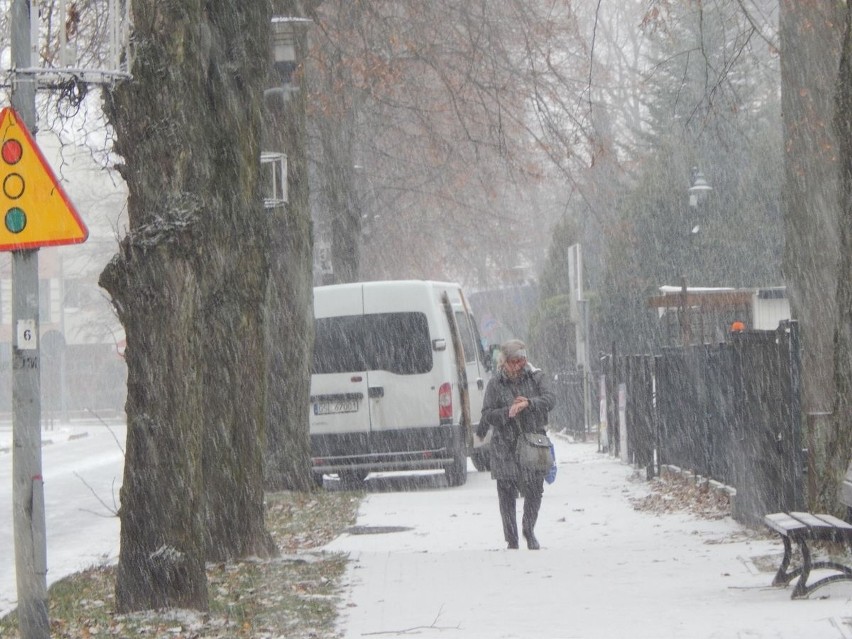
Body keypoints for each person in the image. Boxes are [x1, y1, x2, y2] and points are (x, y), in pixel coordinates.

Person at [477, 339, 556, 550]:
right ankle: (511, 538)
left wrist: (529, 404)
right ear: (504, 363)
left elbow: (550, 399)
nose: (517, 365)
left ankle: (529, 530)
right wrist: (506, 413)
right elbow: (486, 415)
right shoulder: (495, 384)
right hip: (505, 445)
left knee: (534, 489)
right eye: (513, 361)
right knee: (506, 492)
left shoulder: (537, 377)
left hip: (531, 443)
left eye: (521, 360)